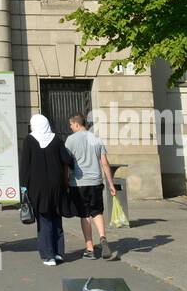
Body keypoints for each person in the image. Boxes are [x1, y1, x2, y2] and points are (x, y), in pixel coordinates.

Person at [64, 114, 119, 260]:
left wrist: (65, 181)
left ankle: (89, 249)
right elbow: (105, 163)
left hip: (79, 183)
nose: (70, 128)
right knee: (97, 211)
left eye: (71, 125)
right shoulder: (96, 138)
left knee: (84, 214)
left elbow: (66, 163)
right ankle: (102, 238)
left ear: (76, 124)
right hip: (96, 182)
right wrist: (111, 184)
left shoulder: (70, 140)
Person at [21, 114, 73, 266]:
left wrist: (23, 186)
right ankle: (59, 253)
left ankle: (48, 255)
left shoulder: (29, 140)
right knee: (57, 217)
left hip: (37, 187)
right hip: (57, 186)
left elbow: (25, 165)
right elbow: (67, 159)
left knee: (44, 219)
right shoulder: (56, 140)